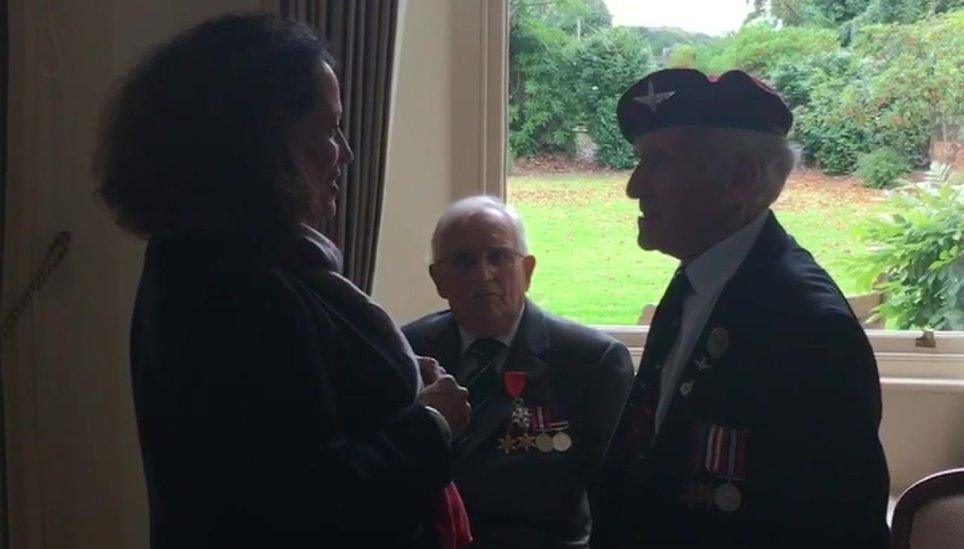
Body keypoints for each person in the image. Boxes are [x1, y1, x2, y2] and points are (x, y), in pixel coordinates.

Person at [94, 14, 470, 548]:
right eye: (329, 128)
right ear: (262, 142)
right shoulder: (240, 289)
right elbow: (312, 504)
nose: (346, 151)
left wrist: (399, 381)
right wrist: (433, 422)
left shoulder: (213, 260)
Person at [592, 69, 891, 548]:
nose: (634, 186)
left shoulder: (810, 329)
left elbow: (843, 530)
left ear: (741, 177)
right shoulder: (696, 283)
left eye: (659, 161)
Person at [402, 196, 634, 548]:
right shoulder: (407, 350)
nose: (483, 275)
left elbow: (617, 501)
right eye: (465, 261)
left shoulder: (591, 361)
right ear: (439, 279)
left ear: (527, 270)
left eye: (498, 257)